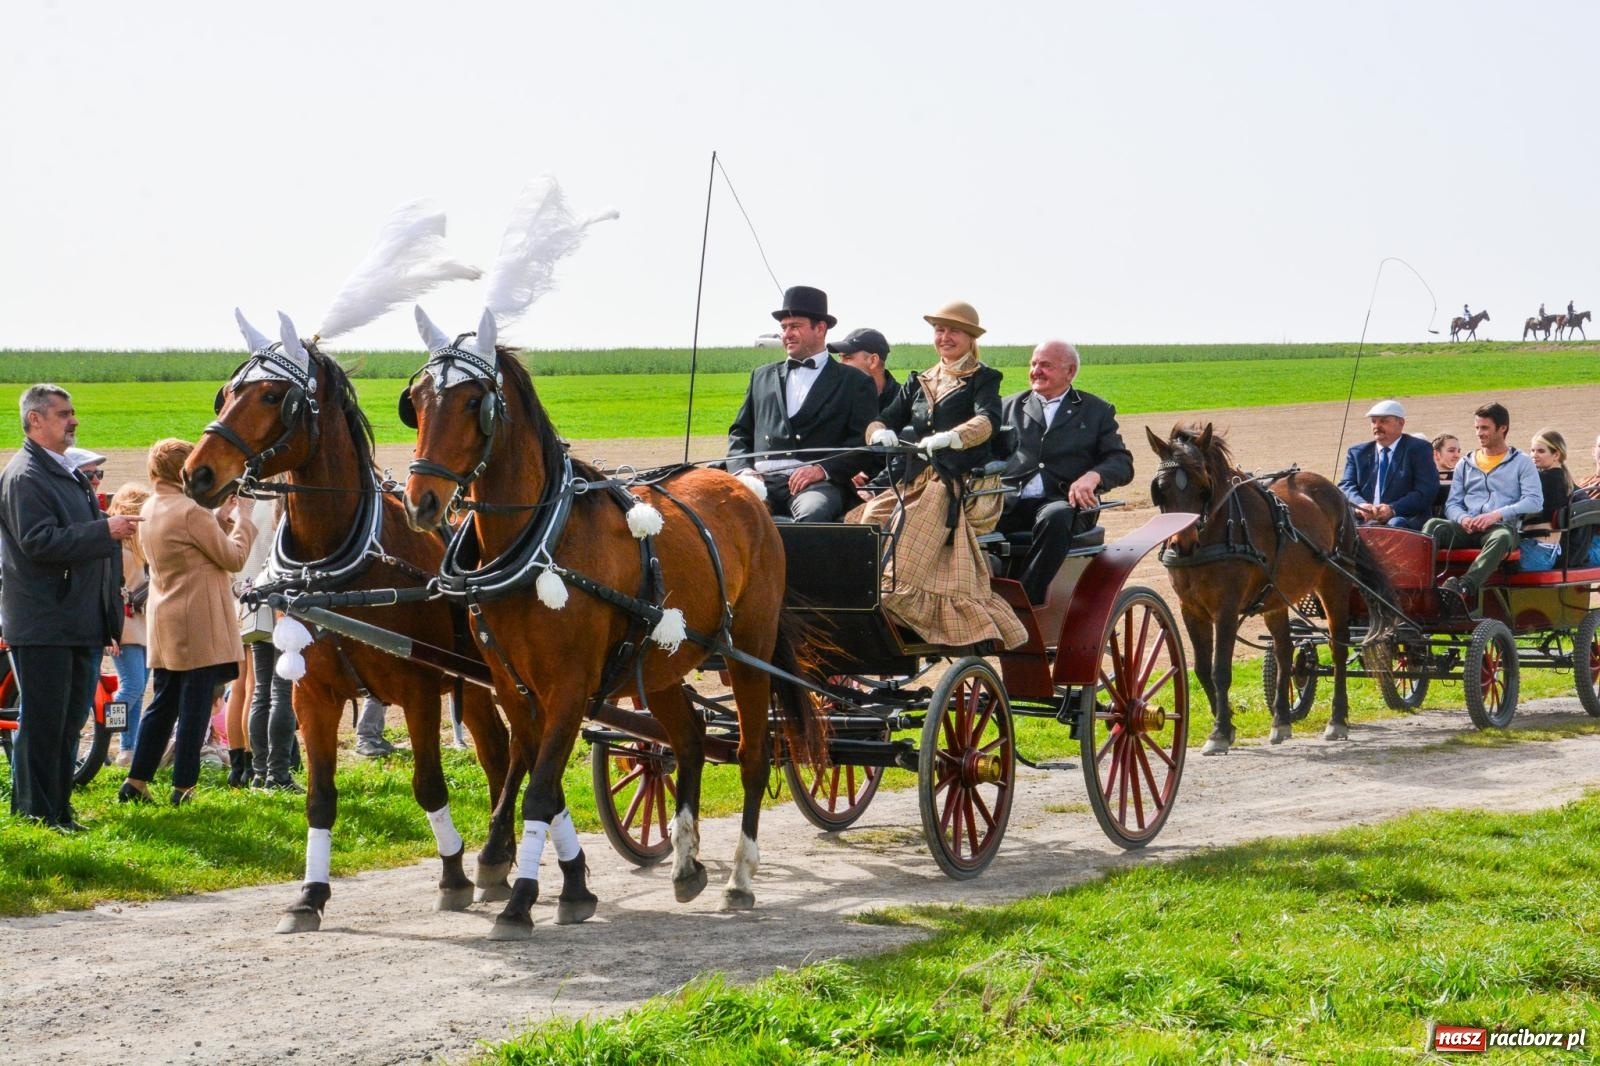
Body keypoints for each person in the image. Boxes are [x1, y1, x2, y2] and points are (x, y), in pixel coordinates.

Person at [848, 301, 1025, 649]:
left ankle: (897, 596)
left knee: (910, 521)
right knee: (868, 516)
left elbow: (988, 419)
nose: (944, 337)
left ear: (970, 337)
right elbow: (883, 418)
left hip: (963, 482)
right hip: (917, 479)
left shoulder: (983, 378)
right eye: (939, 331)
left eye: (953, 331)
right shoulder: (920, 380)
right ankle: (862, 593)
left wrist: (954, 437)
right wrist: (878, 433)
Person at [0, 385, 135, 830]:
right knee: (43, 724)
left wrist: (108, 618)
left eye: (73, 413)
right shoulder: (25, 476)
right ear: (35, 420)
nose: (73, 420)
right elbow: (38, 542)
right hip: (43, 622)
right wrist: (106, 531)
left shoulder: (65, 471)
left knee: (69, 723)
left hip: (78, 620)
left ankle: (58, 810)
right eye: (63, 413)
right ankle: (35, 814)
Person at [119, 439, 257, 806]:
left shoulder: (152, 506)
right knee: (196, 706)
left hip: (166, 619)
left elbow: (187, 548)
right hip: (199, 621)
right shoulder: (191, 512)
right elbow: (234, 557)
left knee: (162, 703)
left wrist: (218, 521)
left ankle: (137, 781)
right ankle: (183, 787)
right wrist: (243, 518)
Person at [995, 340, 1134, 604]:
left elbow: (1120, 460)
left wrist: (1093, 477)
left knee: (1055, 516)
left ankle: (1024, 601)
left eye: (1045, 365)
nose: (1036, 370)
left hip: (1067, 505)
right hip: (1011, 503)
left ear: (1070, 372)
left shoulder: (1096, 411)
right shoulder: (1007, 408)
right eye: (1033, 364)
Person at [727, 286, 877, 522]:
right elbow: (740, 433)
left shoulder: (854, 382)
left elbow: (861, 443)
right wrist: (745, 472)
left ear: (820, 328)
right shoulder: (761, 376)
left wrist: (821, 470)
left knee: (812, 514)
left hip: (817, 486)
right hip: (759, 481)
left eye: (795, 326)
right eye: (784, 328)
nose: (787, 334)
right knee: (721, 513)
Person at [1424, 403, 1542, 605]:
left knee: (1502, 537)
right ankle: (1419, 585)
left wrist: (1496, 515)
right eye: (1477, 428)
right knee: (1434, 525)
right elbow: (1452, 503)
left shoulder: (1521, 462)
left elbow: (1535, 501)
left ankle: (1463, 588)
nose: (1479, 433)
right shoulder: (1466, 463)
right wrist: (1463, 518)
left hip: (1500, 528)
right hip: (1466, 527)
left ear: (1502, 428)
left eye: (1485, 428)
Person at [107, 482, 152, 767]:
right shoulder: (115, 545)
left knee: (138, 689)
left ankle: (128, 749)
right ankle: (105, 735)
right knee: (131, 686)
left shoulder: (141, 544)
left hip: (144, 623)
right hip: (124, 623)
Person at [1337, 400, 1436, 530]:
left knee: (1394, 526)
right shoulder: (1357, 453)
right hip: (1364, 518)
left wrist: (1393, 509)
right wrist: (1360, 505)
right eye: (1373, 421)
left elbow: (1426, 490)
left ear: (1401, 423)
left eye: (1383, 421)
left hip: (1404, 517)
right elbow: (1346, 485)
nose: (1377, 426)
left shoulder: (1418, 449)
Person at [1517, 428, 1573, 573]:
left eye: (1540, 451)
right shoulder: (1562, 479)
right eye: (1532, 450)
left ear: (1556, 455)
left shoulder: (1544, 479)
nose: (1534, 455)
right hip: (1546, 552)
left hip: (1533, 552)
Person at [829, 327, 898, 413]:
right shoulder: (834, 400)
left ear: (873, 361)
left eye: (847, 358)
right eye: (841, 358)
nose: (840, 364)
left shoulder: (906, 402)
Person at [1431, 433, 1461, 517]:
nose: (1457, 455)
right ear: (1436, 454)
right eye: (1451, 450)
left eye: (1458, 451)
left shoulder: (1463, 478)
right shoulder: (1424, 479)